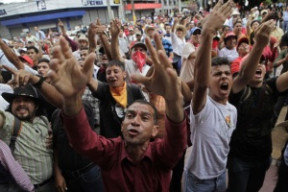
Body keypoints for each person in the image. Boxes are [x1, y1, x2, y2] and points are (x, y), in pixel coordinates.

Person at [47, 34, 187, 191]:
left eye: (145, 118)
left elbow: (178, 142)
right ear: (122, 126)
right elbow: (83, 141)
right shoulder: (110, 153)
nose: (135, 121)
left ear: (155, 130)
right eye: (130, 115)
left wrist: (173, 102)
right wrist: (71, 101)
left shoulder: (161, 155)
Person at [184, 1, 237, 191]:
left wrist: (223, 173)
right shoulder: (202, 107)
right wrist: (207, 33)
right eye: (217, 74)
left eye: (227, 73)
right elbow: (200, 83)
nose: (223, 76)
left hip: (221, 177)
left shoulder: (233, 110)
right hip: (199, 181)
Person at [227, 19, 283, 192]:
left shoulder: (271, 87)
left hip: (263, 157)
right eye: (254, 61)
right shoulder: (237, 89)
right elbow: (244, 75)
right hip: (240, 159)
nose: (259, 63)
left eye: (262, 61)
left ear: (266, 69)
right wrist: (259, 45)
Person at [0, 84, 55, 191]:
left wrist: (53, 140)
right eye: (17, 101)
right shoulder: (10, 122)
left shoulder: (43, 120)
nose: (21, 104)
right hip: (24, 188)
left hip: (50, 185)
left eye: (26, 100)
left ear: (36, 105)